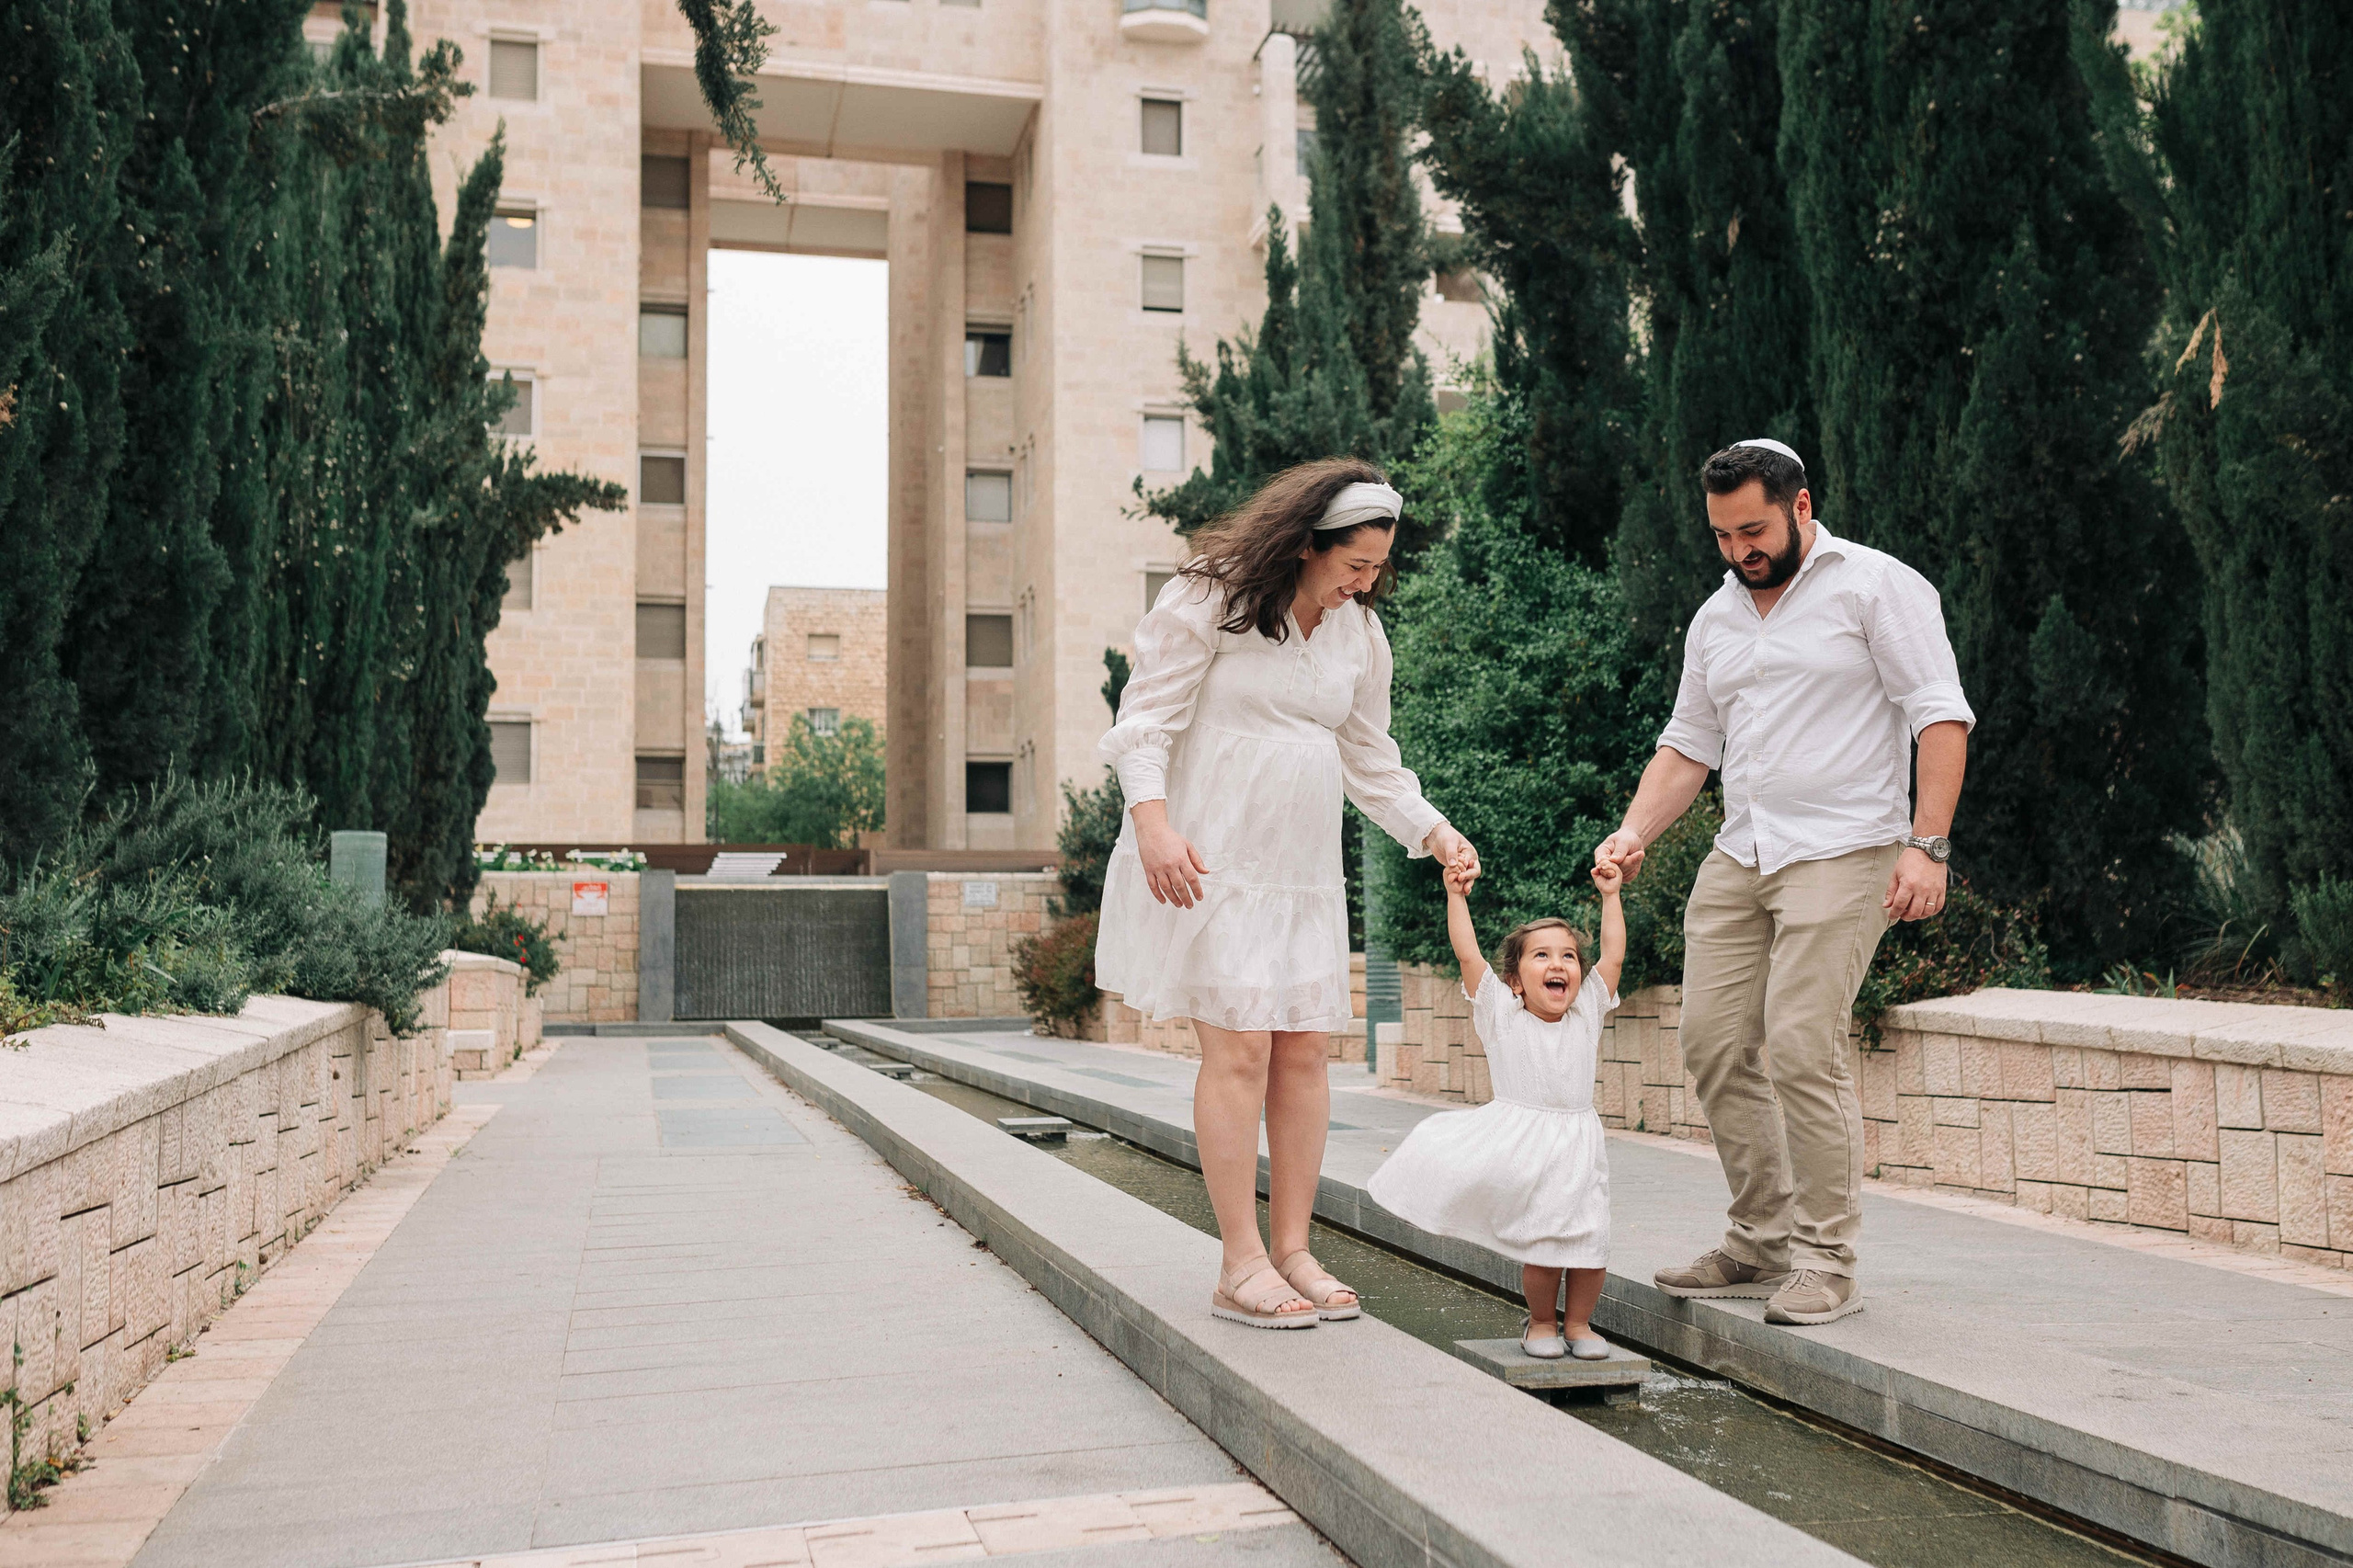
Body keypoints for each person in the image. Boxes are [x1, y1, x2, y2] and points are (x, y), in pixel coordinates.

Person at [1593, 438, 1972, 1326]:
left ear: (1801, 507)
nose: (1738, 551)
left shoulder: (1877, 587)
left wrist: (1929, 845)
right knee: (1712, 1042)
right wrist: (1635, 829)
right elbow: (1689, 744)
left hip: (1846, 847)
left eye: (1753, 530)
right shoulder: (1715, 618)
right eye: (1723, 536)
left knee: (1802, 1043)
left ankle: (1827, 1261)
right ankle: (1758, 1242)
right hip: (1743, 852)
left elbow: (1940, 716)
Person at [1097, 457, 1477, 1329]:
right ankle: (1239, 1264)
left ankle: (1295, 1249)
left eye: (1379, 568)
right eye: (1355, 566)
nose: (1367, 582)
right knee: (1240, 1054)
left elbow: (1370, 758)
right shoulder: (1210, 599)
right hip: (1212, 860)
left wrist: (1434, 831)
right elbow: (1144, 720)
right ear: (1306, 544)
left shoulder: (1357, 635)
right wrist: (1153, 826)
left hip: (1302, 872)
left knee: (1304, 1054)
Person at [1368, 856, 1625, 1360]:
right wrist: (1456, 896)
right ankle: (1542, 1322)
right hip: (1520, 1142)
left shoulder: (1587, 1012)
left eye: (1569, 957)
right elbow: (1467, 955)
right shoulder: (1502, 1015)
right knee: (1543, 1243)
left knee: (1590, 1239)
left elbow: (1612, 958)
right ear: (1515, 980)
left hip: (1578, 1143)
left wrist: (1611, 897)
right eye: (1543, 957)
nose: (1558, 965)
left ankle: (1580, 1325)